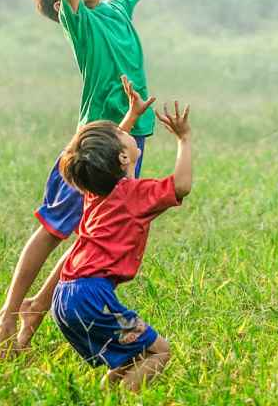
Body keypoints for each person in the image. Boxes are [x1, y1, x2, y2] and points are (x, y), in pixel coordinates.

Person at [0, 0, 207, 352]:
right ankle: (9, 314)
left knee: (92, 235)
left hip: (133, 138)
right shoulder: (80, 22)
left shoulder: (115, 9)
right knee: (53, 230)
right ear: (59, 2)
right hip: (94, 142)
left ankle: (31, 325)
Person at [47, 97, 193, 390]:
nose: (125, 131)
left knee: (132, 357)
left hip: (64, 296)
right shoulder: (133, 195)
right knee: (160, 352)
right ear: (123, 158)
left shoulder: (95, 189)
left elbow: (102, 156)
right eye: (123, 133)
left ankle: (108, 394)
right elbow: (181, 185)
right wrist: (184, 138)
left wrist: (131, 116)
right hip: (92, 299)